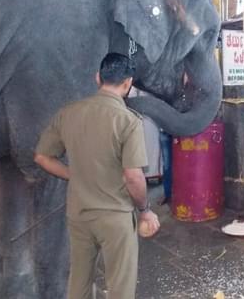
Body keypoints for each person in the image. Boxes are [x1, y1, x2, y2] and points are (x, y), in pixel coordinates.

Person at [34, 53, 160, 299]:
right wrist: (145, 209)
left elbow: (41, 157)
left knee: (79, 280)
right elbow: (133, 176)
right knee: (120, 286)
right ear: (128, 84)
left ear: (97, 78)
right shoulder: (128, 121)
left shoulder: (69, 113)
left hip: (79, 213)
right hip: (115, 217)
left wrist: (74, 173)